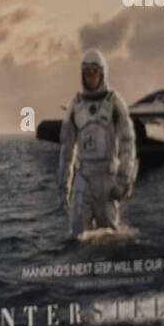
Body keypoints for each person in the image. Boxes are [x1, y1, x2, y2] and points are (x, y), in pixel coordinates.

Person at [57, 49, 136, 233]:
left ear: (102, 74)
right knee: (78, 234)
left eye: (94, 73)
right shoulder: (75, 104)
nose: (90, 78)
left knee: (108, 236)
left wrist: (124, 180)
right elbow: (66, 149)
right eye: (86, 73)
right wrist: (64, 187)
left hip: (107, 178)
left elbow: (128, 143)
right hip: (83, 178)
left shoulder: (115, 102)